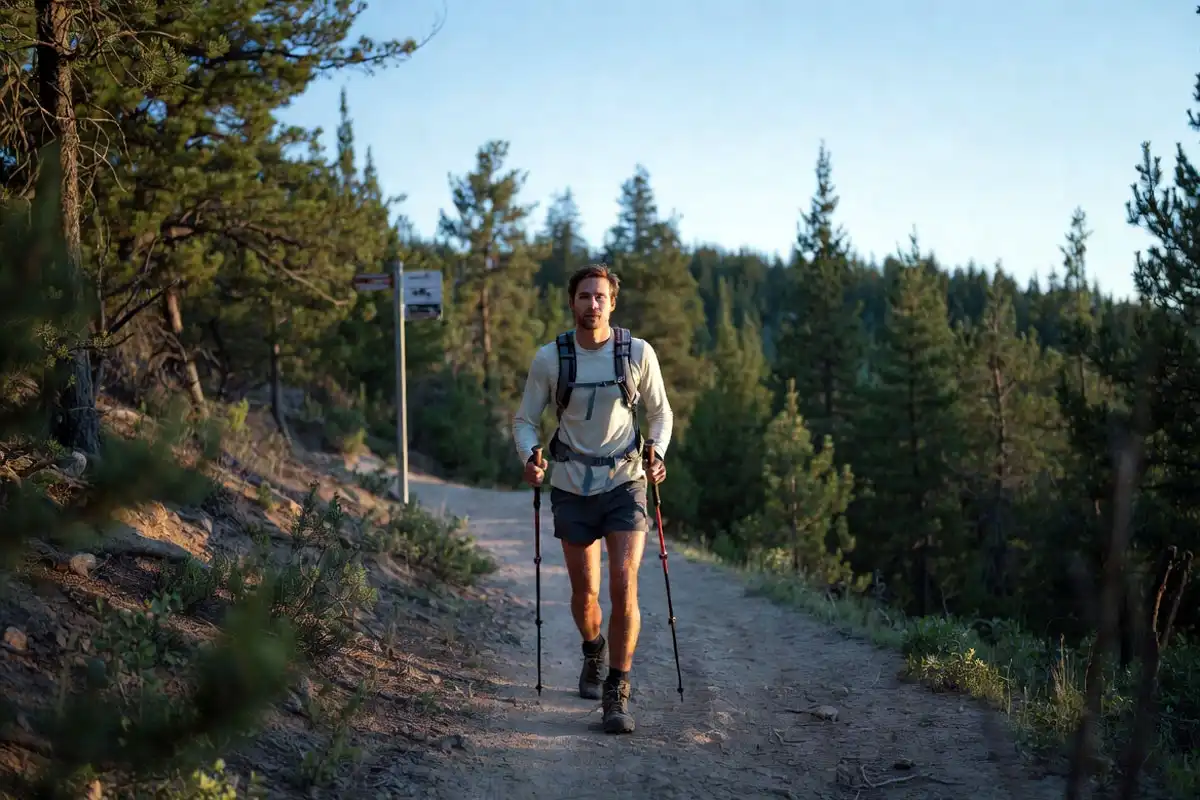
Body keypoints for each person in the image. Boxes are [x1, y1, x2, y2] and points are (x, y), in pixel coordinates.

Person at [511, 263, 673, 735]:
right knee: (585, 595)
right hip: (570, 485)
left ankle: (617, 689)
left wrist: (657, 453)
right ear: (572, 302)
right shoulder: (551, 359)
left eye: (601, 296)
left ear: (613, 303)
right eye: (585, 296)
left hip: (626, 482)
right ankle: (593, 649)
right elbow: (524, 420)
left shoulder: (637, 353)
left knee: (623, 583)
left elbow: (661, 414)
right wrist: (530, 457)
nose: (593, 304)